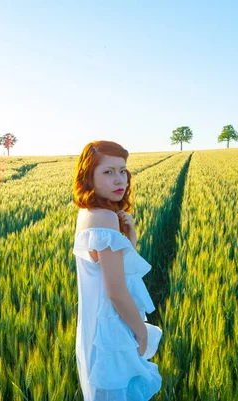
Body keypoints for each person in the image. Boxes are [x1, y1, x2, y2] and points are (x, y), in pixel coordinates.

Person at [72, 140, 163, 400]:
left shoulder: (89, 212)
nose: (119, 179)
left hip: (97, 326)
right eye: (107, 172)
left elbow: (118, 268)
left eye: (122, 170)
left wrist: (129, 237)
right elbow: (116, 290)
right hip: (110, 328)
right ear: (88, 178)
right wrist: (141, 331)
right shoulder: (105, 217)